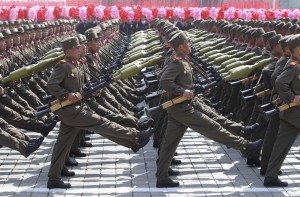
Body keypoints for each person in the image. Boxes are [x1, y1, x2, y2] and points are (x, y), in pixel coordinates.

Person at [156, 31, 263, 188]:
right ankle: (245, 146)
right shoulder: (177, 62)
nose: (190, 44)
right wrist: (182, 91)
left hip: (181, 106)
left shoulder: (182, 60)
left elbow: (181, 81)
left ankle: (162, 176)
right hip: (181, 108)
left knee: (170, 144)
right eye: (188, 42)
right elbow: (164, 80)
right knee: (214, 128)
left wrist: (191, 88)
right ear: (180, 46)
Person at [46, 36, 153, 189]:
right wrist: (65, 94)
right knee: (102, 123)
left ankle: (54, 176)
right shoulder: (63, 66)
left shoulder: (75, 64)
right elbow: (51, 85)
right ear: (68, 51)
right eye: (76, 48)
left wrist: (90, 92)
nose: (80, 50)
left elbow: (79, 87)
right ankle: (135, 135)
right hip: (71, 110)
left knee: (63, 143)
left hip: (77, 107)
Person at [263, 35, 300, 187]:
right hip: (295, 113)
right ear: (297, 49)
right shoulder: (294, 65)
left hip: (291, 114)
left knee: (281, 145)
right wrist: (292, 98)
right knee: (281, 145)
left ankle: (270, 176)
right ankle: (270, 175)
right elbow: (279, 81)